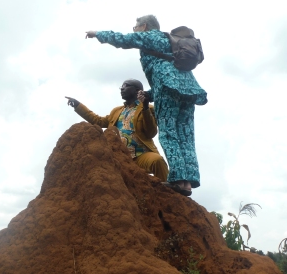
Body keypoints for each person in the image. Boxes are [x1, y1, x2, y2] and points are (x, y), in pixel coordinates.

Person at [85, 15, 207, 197]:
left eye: (136, 27)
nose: (135, 30)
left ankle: (179, 179)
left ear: (144, 26)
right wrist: (149, 94)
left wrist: (98, 34)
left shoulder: (151, 36)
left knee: (169, 134)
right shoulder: (168, 40)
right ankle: (187, 182)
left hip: (168, 88)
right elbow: (169, 73)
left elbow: (124, 40)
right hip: (189, 90)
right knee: (186, 136)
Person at [65, 79, 169, 182]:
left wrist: (145, 107)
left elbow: (151, 132)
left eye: (126, 86)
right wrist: (78, 105)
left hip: (141, 155)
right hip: (120, 157)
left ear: (137, 90)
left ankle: (170, 193)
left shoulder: (149, 108)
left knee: (157, 160)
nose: (122, 89)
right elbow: (98, 121)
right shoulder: (117, 111)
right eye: (121, 87)